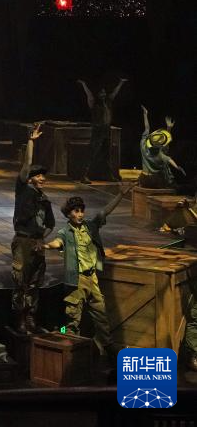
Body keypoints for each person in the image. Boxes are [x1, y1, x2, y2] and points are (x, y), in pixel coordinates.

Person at [45, 185, 135, 359]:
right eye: (76, 211)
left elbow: (104, 212)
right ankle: (65, 342)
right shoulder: (65, 232)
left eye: (81, 211)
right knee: (71, 320)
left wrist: (120, 194)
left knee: (101, 316)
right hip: (76, 280)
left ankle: (108, 348)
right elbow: (58, 242)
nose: (80, 214)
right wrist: (46, 246)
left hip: (92, 278)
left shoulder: (90, 227)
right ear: (68, 214)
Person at [11, 123, 54, 334]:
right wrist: (31, 142)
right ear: (30, 179)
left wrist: (41, 239)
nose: (42, 178)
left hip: (38, 243)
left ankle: (30, 316)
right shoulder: (24, 190)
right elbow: (27, 164)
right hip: (23, 240)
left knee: (36, 281)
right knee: (21, 280)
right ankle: (19, 317)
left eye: (43, 176)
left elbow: (50, 224)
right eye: (38, 176)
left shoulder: (44, 200)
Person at [76, 78, 127, 183]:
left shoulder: (108, 102)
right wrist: (84, 85)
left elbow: (114, 93)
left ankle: (108, 176)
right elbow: (89, 95)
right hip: (98, 130)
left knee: (106, 155)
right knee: (92, 153)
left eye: (104, 92)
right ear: (98, 94)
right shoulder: (94, 103)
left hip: (106, 130)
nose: (103, 94)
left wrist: (120, 83)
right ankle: (83, 176)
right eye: (101, 93)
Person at [139, 106, 185, 189]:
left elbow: (147, 128)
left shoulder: (143, 144)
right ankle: (171, 183)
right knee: (164, 166)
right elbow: (169, 160)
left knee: (163, 164)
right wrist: (177, 167)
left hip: (143, 179)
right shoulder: (160, 155)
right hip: (154, 181)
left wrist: (145, 114)